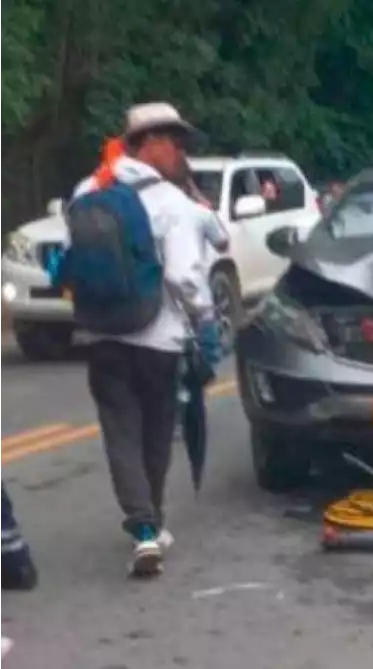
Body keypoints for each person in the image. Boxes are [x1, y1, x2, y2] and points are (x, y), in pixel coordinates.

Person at [67, 102, 221, 578]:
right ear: (149, 143)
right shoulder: (175, 204)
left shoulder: (88, 191)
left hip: (100, 334)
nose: (180, 152)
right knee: (156, 433)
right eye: (174, 142)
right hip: (158, 339)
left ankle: (144, 528)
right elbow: (185, 276)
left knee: (120, 431)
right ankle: (148, 524)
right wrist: (206, 320)